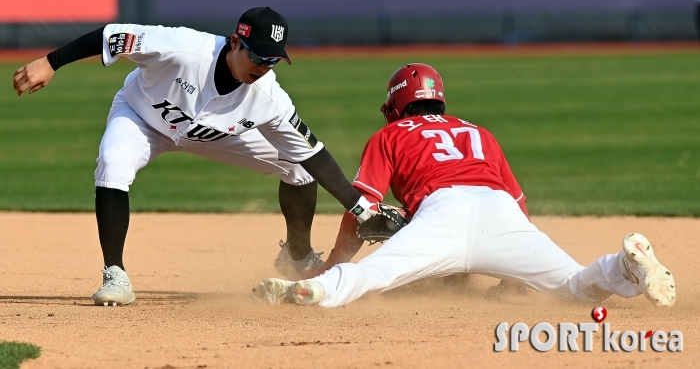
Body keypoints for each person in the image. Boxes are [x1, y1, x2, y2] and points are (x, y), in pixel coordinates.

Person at [12, 7, 380, 306]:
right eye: (257, 56)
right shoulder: (182, 47)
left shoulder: (269, 98)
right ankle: (115, 274)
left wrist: (362, 210)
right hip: (142, 117)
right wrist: (50, 62)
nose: (263, 67)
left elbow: (313, 154)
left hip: (210, 136)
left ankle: (297, 256)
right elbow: (112, 34)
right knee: (112, 162)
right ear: (235, 41)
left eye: (272, 61)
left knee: (296, 166)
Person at [252, 63, 677, 309]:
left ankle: (316, 289)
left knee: (374, 274)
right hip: (501, 213)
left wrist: (332, 263)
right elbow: (518, 202)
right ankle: (623, 267)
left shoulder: (391, 134)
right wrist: (515, 273)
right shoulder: (479, 132)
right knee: (575, 288)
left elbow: (360, 208)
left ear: (393, 106)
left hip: (443, 213)